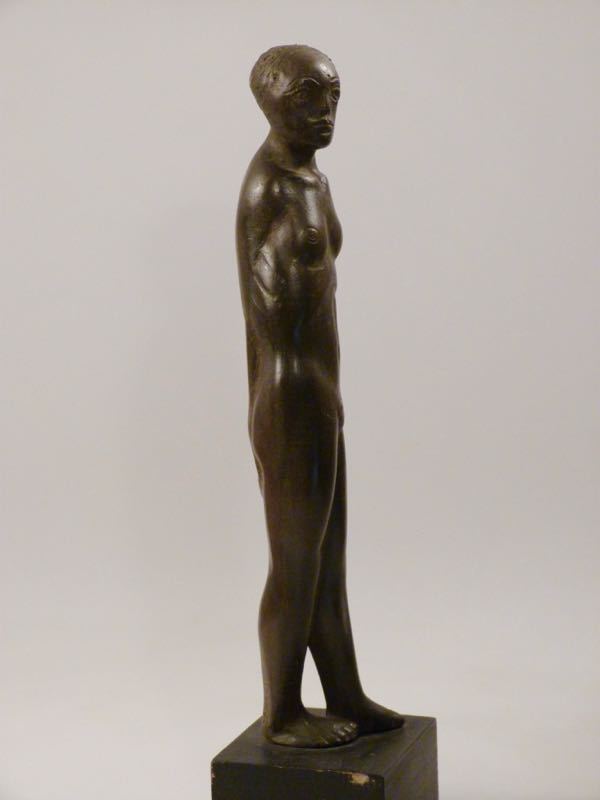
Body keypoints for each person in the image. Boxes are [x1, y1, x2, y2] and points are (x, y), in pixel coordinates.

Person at [236, 44, 405, 747]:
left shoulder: (315, 180)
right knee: (296, 562)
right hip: (291, 396)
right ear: (270, 100)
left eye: (333, 94)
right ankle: (282, 714)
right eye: (307, 95)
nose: (325, 109)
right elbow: (272, 315)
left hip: (321, 393)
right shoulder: (268, 187)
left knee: (327, 561)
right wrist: (303, 398)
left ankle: (344, 694)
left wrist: (329, 397)